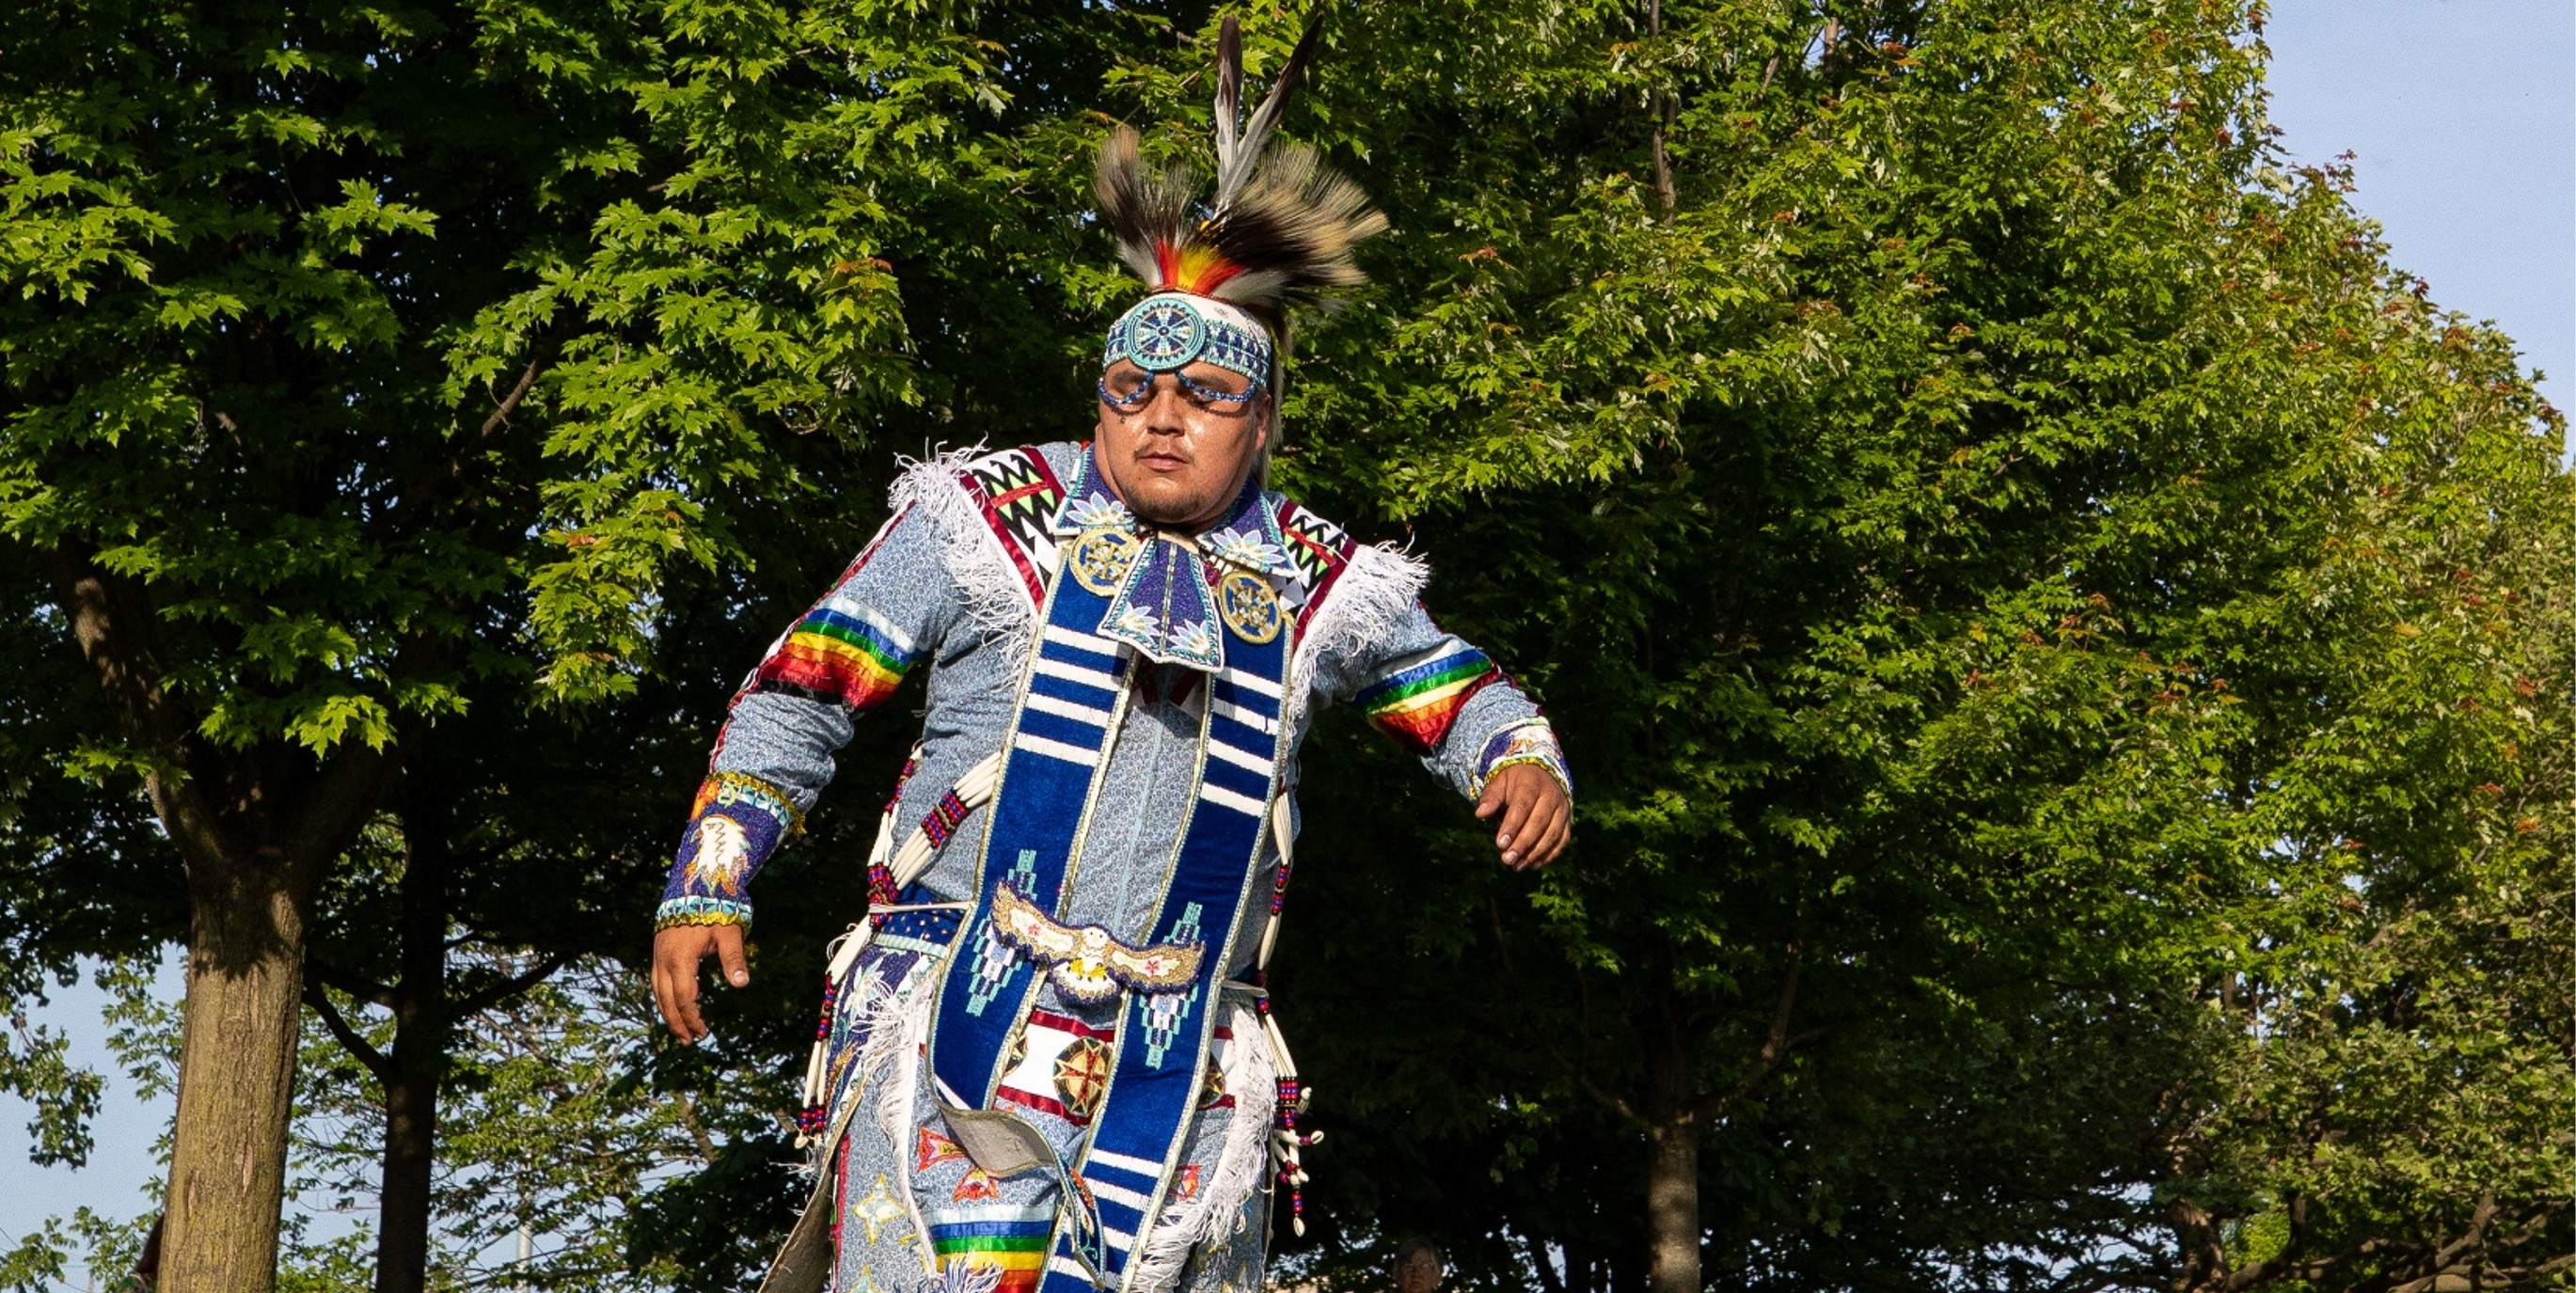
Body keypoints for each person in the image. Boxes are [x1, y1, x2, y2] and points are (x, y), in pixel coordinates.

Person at [648, 20, 1571, 1293]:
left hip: (1188, 1068)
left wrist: (1518, 757)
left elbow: (1456, 687)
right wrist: (709, 879)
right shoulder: (986, 521)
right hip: (956, 1030)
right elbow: (801, 691)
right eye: (1132, 391)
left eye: (1203, 398)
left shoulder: (1316, 580)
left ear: (1265, 422)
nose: (1162, 420)